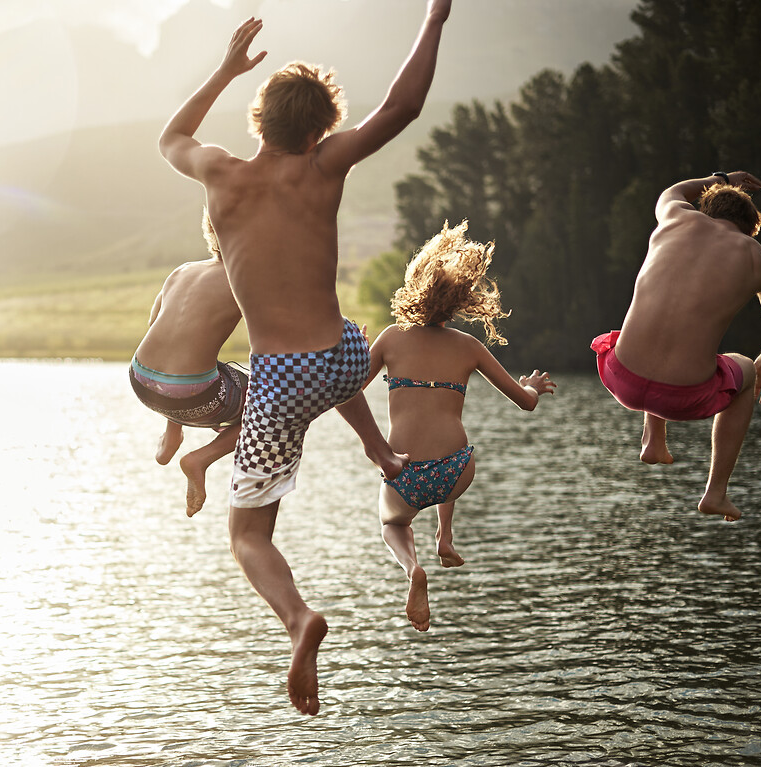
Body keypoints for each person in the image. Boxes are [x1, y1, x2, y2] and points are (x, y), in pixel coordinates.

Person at [158, 1, 451, 716]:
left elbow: (171, 137)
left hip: (283, 377)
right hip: (345, 357)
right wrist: (436, 16)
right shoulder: (327, 165)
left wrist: (226, 69)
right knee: (341, 358)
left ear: (259, 117)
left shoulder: (221, 176)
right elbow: (403, 106)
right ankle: (381, 453)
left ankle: (299, 620)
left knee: (247, 532)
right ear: (321, 128)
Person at [367, 220, 555, 633]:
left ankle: (413, 567)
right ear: (461, 302)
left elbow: (347, 389)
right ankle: (444, 536)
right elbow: (525, 403)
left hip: (404, 472)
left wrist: (352, 354)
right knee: (445, 460)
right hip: (457, 471)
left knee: (393, 523)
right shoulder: (470, 347)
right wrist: (532, 386)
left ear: (415, 287)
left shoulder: (391, 339)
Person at [591, 171, 761, 521]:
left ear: (704, 210)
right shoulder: (759, 259)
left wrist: (724, 176)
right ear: (749, 229)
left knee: (652, 328)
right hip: (682, 396)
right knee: (743, 367)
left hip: (619, 375)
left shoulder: (675, 216)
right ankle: (715, 493)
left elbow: (673, 189)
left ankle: (653, 439)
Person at [130, 209, 247, 518]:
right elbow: (275, 343)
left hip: (140, 379)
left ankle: (172, 434)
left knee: (193, 361)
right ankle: (201, 458)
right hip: (192, 394)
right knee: (275, 401)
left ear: (211, 232)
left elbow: (155, 323)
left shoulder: (182, 270)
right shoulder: (245, 280)